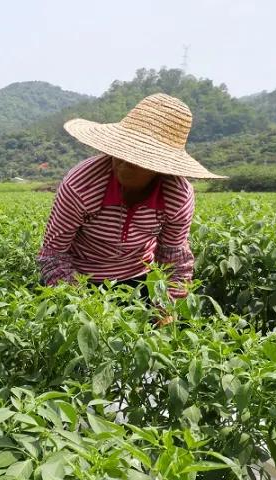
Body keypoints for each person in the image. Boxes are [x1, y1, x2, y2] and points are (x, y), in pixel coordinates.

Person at [37, 94, 225, 324]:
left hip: (137, 280)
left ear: (160, 166)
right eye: (122, 150)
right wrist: (80, 305)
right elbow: (53, 254)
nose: (124, 161)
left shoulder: (176, 196)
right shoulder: (82, 185)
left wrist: (166, 306)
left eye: (139, 157)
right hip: (78, 277)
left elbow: (174, 258)